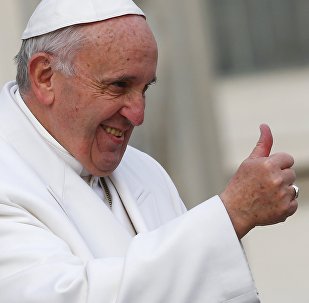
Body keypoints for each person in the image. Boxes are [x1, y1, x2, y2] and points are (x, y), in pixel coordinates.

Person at [0, 0, 298, 302]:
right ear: (45, 77)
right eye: (118, 85)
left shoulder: (144, 170)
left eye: (145, 89)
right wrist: (231, 215)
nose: (138, 115)